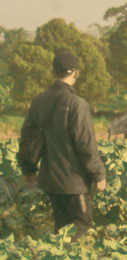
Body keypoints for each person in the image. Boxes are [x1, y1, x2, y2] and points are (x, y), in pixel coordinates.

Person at [17, 50, 107, 238]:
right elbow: (86, 145)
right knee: (82, 228)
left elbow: (26, 139)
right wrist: (99, 173)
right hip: (74, 182)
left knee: (61, 229)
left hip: (49, 181)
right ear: (76, 73)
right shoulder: (77, 103)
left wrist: (28, 170)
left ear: (53, 73)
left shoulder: (38, 101)